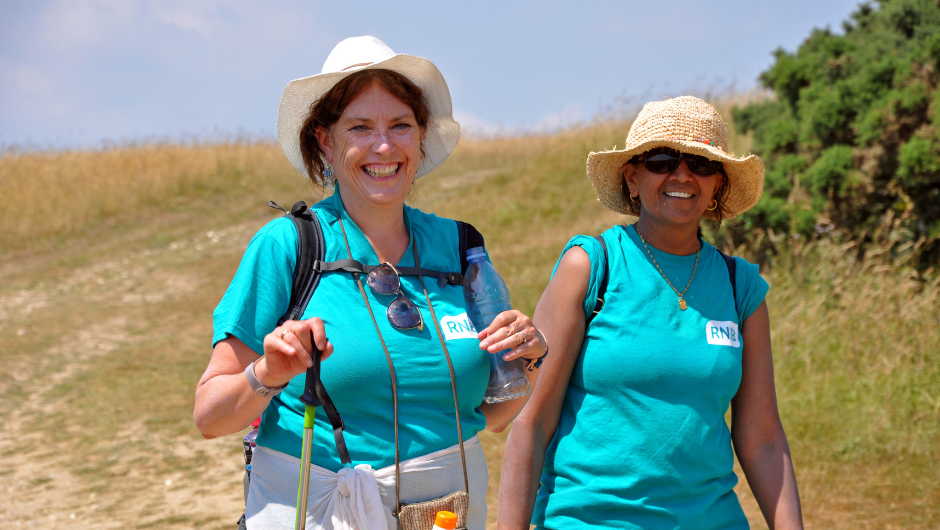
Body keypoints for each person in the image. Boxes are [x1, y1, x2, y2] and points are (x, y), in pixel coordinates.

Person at [193, 36, 546, 530]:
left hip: (446, 515)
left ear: (420, 136)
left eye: (400, 125)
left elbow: (487, 411)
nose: (384, 146)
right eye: (360, 127)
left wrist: (525, 360)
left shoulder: (460, 245)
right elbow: (210, 417)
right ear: (326, 140)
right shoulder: (289, 247)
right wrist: (268, 374)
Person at [497, 96, 803, 529]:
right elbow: (532, 422)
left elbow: (763, 440)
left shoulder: (741, 288)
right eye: (662, 160)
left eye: (701, 163)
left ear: (717, 185)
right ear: (632, 178)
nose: (682, 175)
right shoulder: (590, 267)